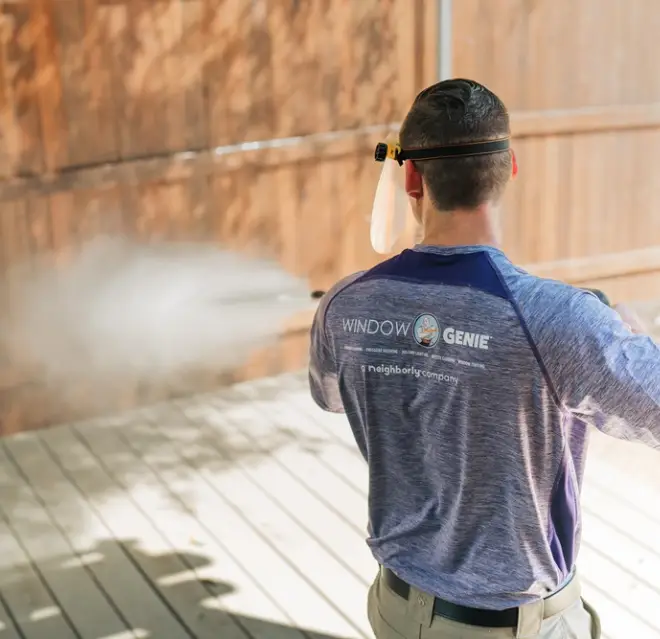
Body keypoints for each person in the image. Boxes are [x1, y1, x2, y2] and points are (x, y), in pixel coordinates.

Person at [308, 78, 660, 639]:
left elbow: (329, 393)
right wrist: (629, 337)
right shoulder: (562, 320)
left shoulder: (344, 306)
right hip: (506, 628)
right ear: (509, 168)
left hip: (394, 611)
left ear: (411, 177)